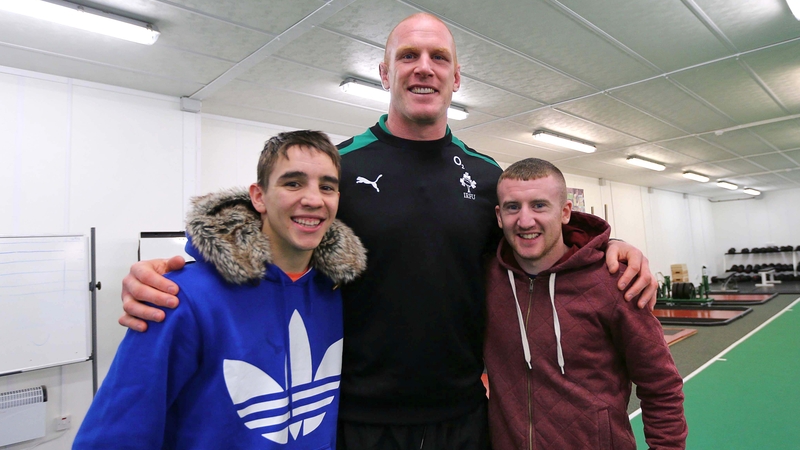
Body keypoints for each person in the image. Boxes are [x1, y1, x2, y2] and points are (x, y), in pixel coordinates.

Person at [117, 13, 658, 450]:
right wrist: (179, 274)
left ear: (456, 77)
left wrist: (607, 247)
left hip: (465, 416)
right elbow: (261, 230)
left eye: (438, 57)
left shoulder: (487, 176)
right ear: (384, 72)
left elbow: (536, 250)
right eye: (408, 56)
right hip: (359, 420)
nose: (423, 68)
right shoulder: (340, 167)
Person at [73, 131, 367, 449]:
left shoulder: (336, 290)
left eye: (327, 187)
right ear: (258, 197)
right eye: (293, 183)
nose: (313, 199)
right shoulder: (180, 297)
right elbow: (113, 436)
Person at [484, 158, 686, 450]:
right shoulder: (487, 279)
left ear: (566, 212)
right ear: (499, 215)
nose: (525, 221)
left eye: (539, 205)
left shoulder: (615, 282)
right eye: (513, 207)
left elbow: (661, 386)